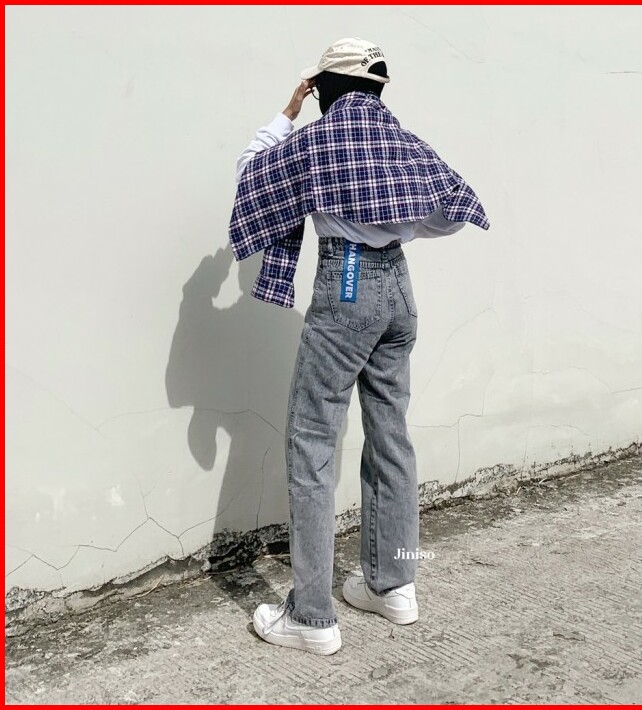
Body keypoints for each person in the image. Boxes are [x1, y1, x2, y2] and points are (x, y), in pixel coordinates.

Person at [229, 37, 490, 655]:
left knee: (313, 443)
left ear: (324, 88)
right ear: (376, 88)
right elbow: (452, 211)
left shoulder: (317, 141)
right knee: (391, 436)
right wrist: (394, 223)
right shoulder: (401, 141)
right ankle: (393, 587)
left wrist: (287, 112)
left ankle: (312, 617)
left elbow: (251, 175)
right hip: (398, 287)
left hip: (345, 281)